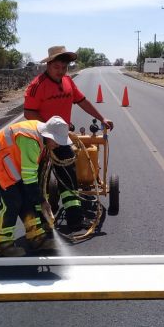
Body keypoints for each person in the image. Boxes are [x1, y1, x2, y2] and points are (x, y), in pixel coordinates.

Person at [24, 45, 114, 229]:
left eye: (64, 67)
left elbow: (82, 102)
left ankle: (75, 219)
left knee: (69, 176)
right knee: (40, 180)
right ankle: (43, 223)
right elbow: (29, 112)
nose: (61, 71)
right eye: (57, 67)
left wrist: (101, 117)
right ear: (48, 65)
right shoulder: (37, 86)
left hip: (62, 137)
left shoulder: (68, 82)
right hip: (40, 138)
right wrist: (47, 135)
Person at [0, 116, 70, 257]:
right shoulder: (31, 141)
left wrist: (40, 199)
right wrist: (42, 201)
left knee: (27, 200)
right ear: (48, 135)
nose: (58, 145)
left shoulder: (41, 135)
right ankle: (1, 246)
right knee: (12, 203)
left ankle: (37, 239)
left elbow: (33, 178)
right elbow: (30, 180)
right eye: (57, 141)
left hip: (10, 163)